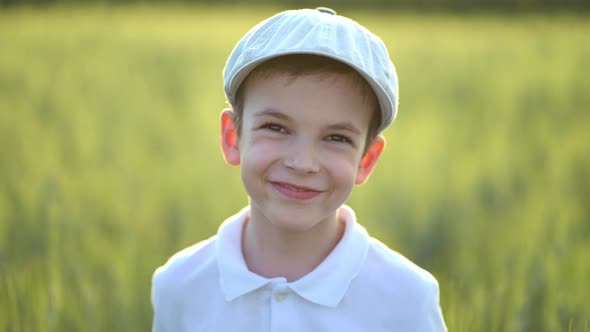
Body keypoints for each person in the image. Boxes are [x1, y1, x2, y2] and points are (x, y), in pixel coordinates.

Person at [151, 7, 447, 332]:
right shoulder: (179, 286)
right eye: (276, 128)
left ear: (366, 160)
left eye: (336, 137)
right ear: (233, 137)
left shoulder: (406, 299)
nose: (303, 163)